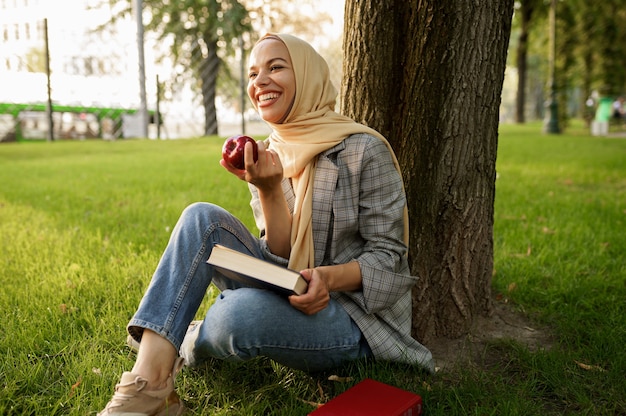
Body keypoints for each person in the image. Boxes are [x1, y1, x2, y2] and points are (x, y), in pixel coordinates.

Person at [97, 33, 434, 415]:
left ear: (307, 76)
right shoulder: (266, 154)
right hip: (288, 286)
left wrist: (328, 278)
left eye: (276, 67)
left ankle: (178, 338)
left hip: (350, 316)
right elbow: (282, 255)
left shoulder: (363, 150)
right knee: (200, 217)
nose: (260, 82)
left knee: (235, 315)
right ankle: (149, 386)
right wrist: (270, 188)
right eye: (254, 73)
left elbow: (390, 259)